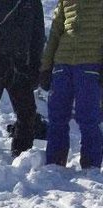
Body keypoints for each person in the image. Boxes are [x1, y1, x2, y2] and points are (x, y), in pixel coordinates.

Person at [0, 0, 45, 156]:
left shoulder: (33, 3)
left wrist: (35, 67)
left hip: (16, 65)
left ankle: (20, 151)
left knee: (27, 112)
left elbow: (38, 37)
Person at [39, 0, 103, 169]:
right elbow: (55, 32)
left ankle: (91, 168)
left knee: (88, 117)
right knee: (57, 116)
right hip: (62, 64)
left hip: (90, 65)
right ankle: (54, 165)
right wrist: (46, 67)